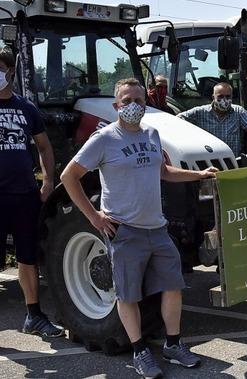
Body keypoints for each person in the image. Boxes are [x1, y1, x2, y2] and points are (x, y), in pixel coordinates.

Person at [60, 78, 216, 378]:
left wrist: (197, 175)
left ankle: (172, 344)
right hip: (125, 231)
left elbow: (164, 172)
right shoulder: (104, 139)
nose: (134, 106)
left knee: (173, 287)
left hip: (157, 228)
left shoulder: (152, 134)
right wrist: (94, 217)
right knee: (128, 295)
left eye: (139, 101)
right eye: (127, 101)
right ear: (116, 105)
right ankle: (140, 351)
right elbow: (69, 176)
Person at [0, 47, 62, 337]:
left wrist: (48, 181)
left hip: (25, 195)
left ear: (10, 72)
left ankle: (34, 316)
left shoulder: (27, 108)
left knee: (27, 257)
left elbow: (44, 146)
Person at [177, 82, 247, 157]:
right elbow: (174, 121)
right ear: (213, 97)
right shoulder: (199, 112)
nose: (224, 100)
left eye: (228, 97)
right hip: (208, 162)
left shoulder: (238, 111)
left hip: (234, 161)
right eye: (220, 97)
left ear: (232, 97)